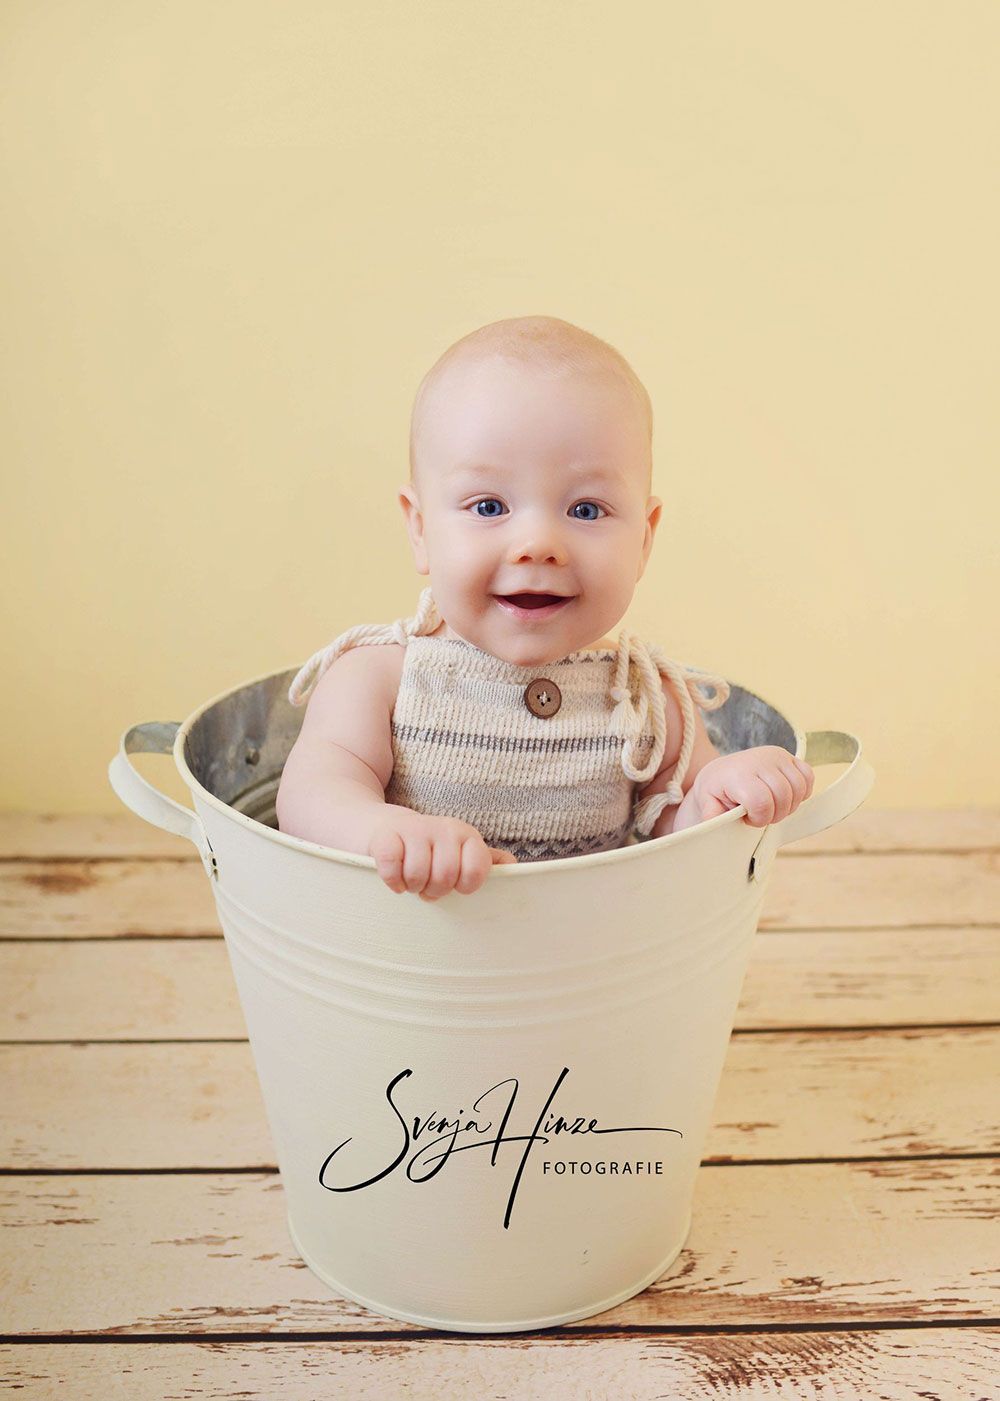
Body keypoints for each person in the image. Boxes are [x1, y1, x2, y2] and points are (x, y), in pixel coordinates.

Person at [276, 315, 814, 899]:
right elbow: (309, 796)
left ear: (644, 538)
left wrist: (720, 793)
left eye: (585, 510)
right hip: (414, 965)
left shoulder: (643, 699)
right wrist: (387, 831)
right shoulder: (380, 677)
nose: (538, 545)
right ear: (421, 529)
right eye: (488, 506)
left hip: (591, 968)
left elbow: (674, 841)